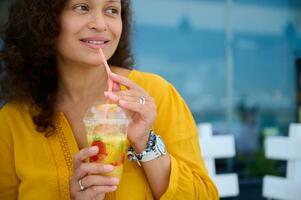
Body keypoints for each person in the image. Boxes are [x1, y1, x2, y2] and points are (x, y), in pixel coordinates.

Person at [0, 0, 218, 199]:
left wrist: (146, 143)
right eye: (82, 7)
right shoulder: (12, 120)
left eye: (111, 10)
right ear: (44, 20)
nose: (100, 24)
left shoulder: (156, 95)